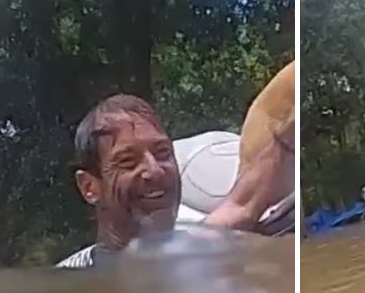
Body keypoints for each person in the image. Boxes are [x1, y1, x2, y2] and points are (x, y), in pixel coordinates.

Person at [56, 93, 293, 269]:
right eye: (128, 161)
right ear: (89, 187)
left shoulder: (191, 249)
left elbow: (242, 205)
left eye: (162, 153)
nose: (155, 171)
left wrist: (286, 135)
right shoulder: (71, 289)